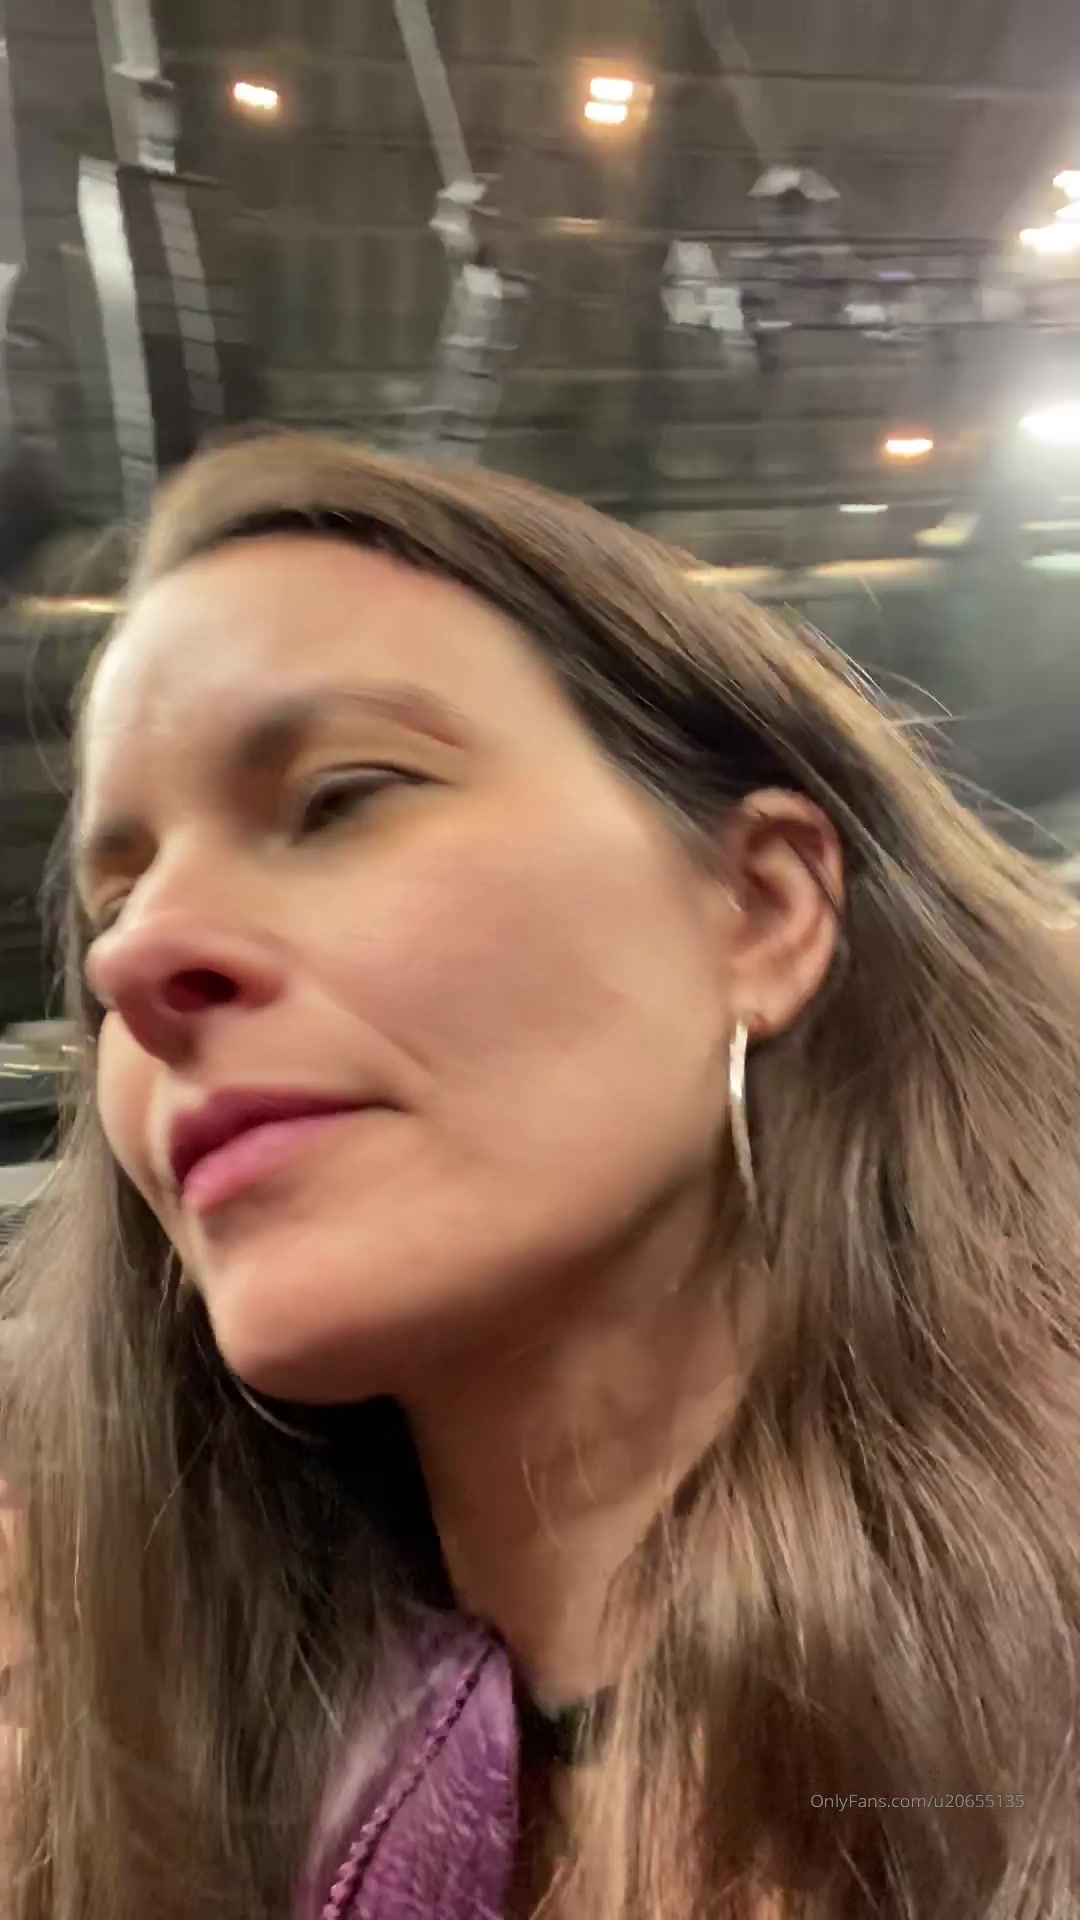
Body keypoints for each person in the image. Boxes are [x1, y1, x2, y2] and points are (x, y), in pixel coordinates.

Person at [2, 434, 1080, 1920]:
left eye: (341, 798)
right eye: (113, 906)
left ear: (760, 909)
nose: (131, 962)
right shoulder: (113, 1794)